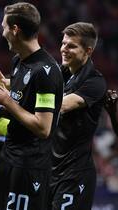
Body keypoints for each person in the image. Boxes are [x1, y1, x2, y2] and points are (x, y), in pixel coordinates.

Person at [0, 3, 64, 210]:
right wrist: (6, 87)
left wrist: (6, 100)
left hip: (30, 168)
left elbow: (43, 128)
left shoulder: (47, 72)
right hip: (7, 158)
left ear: (15, 29)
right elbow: (23, 97)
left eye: (3, 27)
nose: (2, 32)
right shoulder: (19, 61)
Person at [50, 22, 107, 210]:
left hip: (75, 174)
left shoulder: (95, 82)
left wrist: (9, 103)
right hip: (51, 169)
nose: (64, 49)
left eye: (71, 45)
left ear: (88, 51)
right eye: (63, 43)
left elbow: (60, 106)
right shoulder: (62, 73)